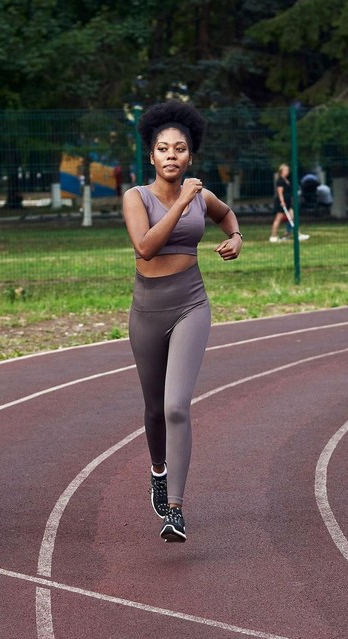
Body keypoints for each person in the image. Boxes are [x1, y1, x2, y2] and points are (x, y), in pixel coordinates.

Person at [122, 100, 243, 542]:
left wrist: (235, 237)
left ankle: (175, 509)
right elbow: (146, 248)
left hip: (192, 303)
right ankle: (158, 470)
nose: (171, 155)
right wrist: (183, 200)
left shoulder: (202, 195)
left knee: (176, 406)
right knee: (154, 409)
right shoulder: (135, 197)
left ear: (191, 155)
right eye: (162, 148)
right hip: (147, 311)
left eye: (179, 149)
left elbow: (226, 214)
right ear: (151, 156)